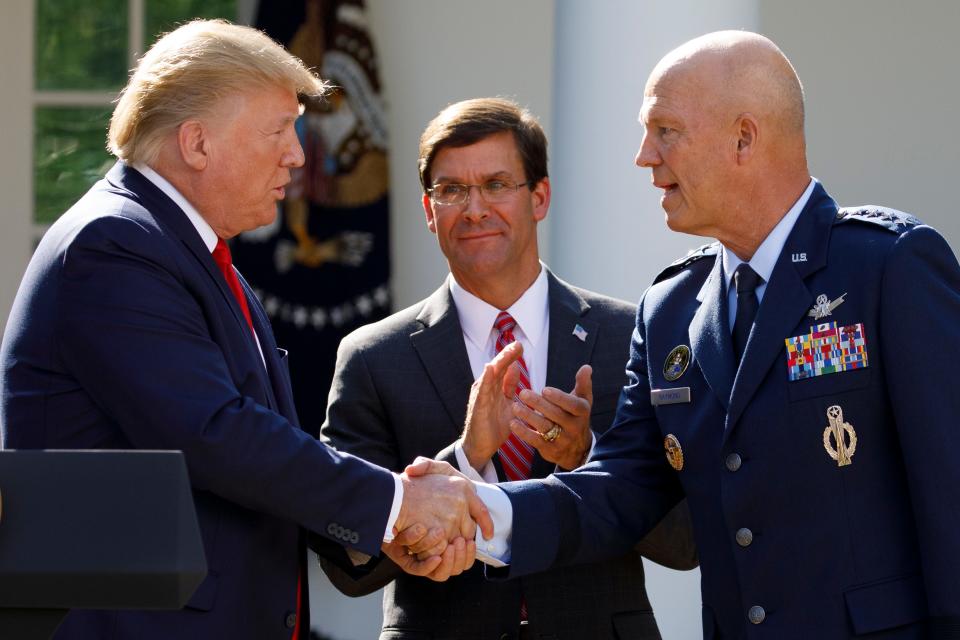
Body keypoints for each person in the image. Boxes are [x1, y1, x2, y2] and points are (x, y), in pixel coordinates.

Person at [410, 31, 960, 638]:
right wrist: (479, 507)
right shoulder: (670, 307)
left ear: (743, 138)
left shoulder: (888, 267)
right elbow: (620, 487)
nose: (645, 156)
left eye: (665, 130)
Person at [0, 20, 489, 640]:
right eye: (279, 129)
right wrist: (394, 505)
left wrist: (393, 523)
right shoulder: (114, 246)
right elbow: (217, 434)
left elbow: (255, 448)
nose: (298, 153)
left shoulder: (188, 254)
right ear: (197, 143)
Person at [316, 97, 696, 640]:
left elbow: (687, 540)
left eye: (497, 185)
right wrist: (466, 459)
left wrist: (588, 456)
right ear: (429, 211)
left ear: (539, 197)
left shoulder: (629, 335)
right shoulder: (374, 357)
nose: (474, 209)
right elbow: (348, 563)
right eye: (451, 190)